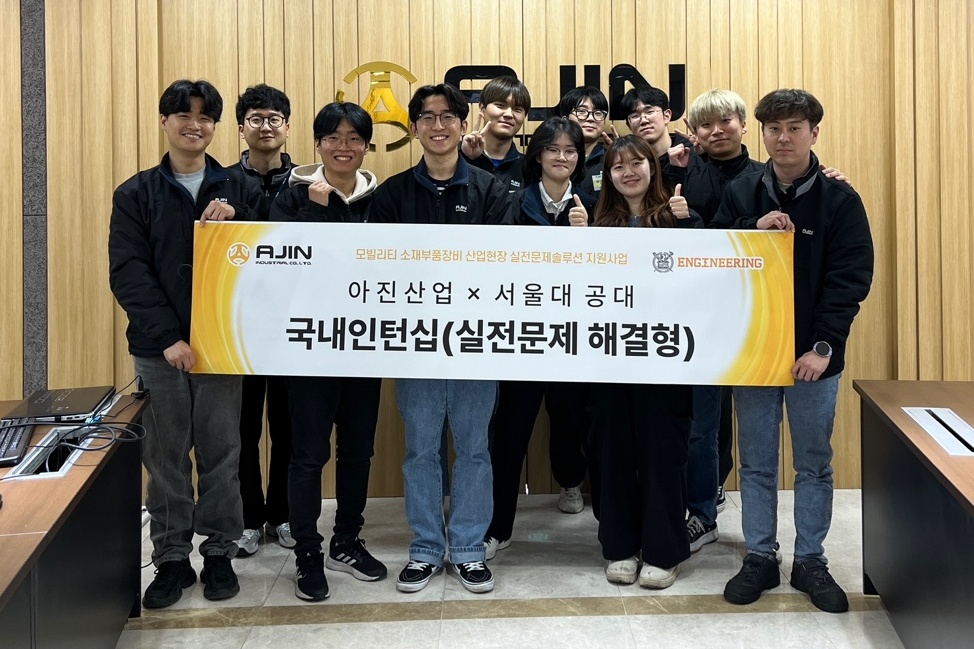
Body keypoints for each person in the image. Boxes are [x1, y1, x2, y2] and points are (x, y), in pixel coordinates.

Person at [714, 89, 873, 613]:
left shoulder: (839, 199)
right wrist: (750, 229)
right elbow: (712, 250)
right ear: (762, 133)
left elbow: (850, 280)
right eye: (774, 129)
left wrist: (823, 346)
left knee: (814, 464)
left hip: (814, 359)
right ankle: (760, 556)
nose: (783, 138)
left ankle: (810, 561)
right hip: (754, 354)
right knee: (757, 464)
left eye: (794, 128)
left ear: (814, 133)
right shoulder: (742, 191)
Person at [109, 79, 262, 608]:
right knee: (165, 457)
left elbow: (273, 251)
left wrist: (240, 221)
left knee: (222, 453)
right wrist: (169, 338)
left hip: (223, 343)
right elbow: (128, 273)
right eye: (184, 115)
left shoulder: (239, 187)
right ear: (165, 121)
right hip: (160, 350)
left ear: (215, 126)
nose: (194, 125)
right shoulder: (135, 193)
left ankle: (219, 551)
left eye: (204, 117)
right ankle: (172, 557)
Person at [370, 83, 513, 594]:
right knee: (420, 451)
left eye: (448, 116)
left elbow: (504, 264)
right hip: (416, 344)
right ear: (414, 128)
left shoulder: (492, 191)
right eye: (427, 117)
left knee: (474, 449)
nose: (438, 125)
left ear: (462, 124)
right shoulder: (392, 194)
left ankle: (470, 548)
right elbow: (377, 268)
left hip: (477, 342)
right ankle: (427, 547)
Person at [268, 102, 386, 601]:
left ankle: (346, 541)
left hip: (364, 345)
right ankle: (307, 552)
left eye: (354, 138)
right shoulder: (291, 197)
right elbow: (282, 269)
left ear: (366, 146)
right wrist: (316, 213)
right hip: (310, 347)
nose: (344, 146)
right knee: (307, 456)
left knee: (358, 452)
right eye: (333, 137)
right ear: (317, 143)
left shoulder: (380, 200)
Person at [590, 135, 700, 590]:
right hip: (609, 357)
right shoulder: (596, 223)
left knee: (663, 454)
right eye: (618, 167)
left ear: (653, 168)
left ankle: (663, 550)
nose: (628, 172)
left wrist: (688, 223)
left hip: (666, 357)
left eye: (636, 163)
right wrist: (575, 238)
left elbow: (705, 277)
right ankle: (619, 547)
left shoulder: (676, 215)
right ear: (608, 177)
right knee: (613, 453)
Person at [485, 117, 594, 560]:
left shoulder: (593, 204)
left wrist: (588, 238)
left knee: (579, 423)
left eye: (570, 150)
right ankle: (498, 527)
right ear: (538, 155)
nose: (562, 157)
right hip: (522, 337)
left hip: (576, 338)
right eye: (553, 149)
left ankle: (609, 527)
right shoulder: (512, 200)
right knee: (510, 434)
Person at [681, 89, 765, 554]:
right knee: (701, 421)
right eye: (705, 125)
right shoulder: (681, 173)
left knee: (749, 421)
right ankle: (702, 510)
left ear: (743, 124)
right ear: (694, 132)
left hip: (752, 312)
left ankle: (721, 495)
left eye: (725, 121)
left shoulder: (768, 176)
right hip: (693, 313)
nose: (716, 131)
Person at [231, 83, 297, 556]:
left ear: (287, 127)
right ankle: (248, 518)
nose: (266, 126)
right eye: (256, 118)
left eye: (274, 118)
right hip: (238, 326)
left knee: (290, 427)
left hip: (294, 326)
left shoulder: (308, 182)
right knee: (242, 429)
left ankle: (285, 514)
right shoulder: (221, 181)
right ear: (241, 128)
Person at [460, 75, 531, 193]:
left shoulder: (528, 168)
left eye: (517, 109)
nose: (509, 114)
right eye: (500, 105)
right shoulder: (458, 160)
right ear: (482, 108)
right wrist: (465, 158)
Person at [619, 85, 696, 191]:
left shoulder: (691, 152)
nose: (644, 120)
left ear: (667, 116)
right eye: (635, 116)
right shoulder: (632, 164)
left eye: (649, 112)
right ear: (629, 125)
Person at [557, 85, 609, 200]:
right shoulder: (554, 159)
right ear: (565, 119)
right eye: (581, 111)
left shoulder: (611, 160)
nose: (591, 118)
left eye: (598, 113)